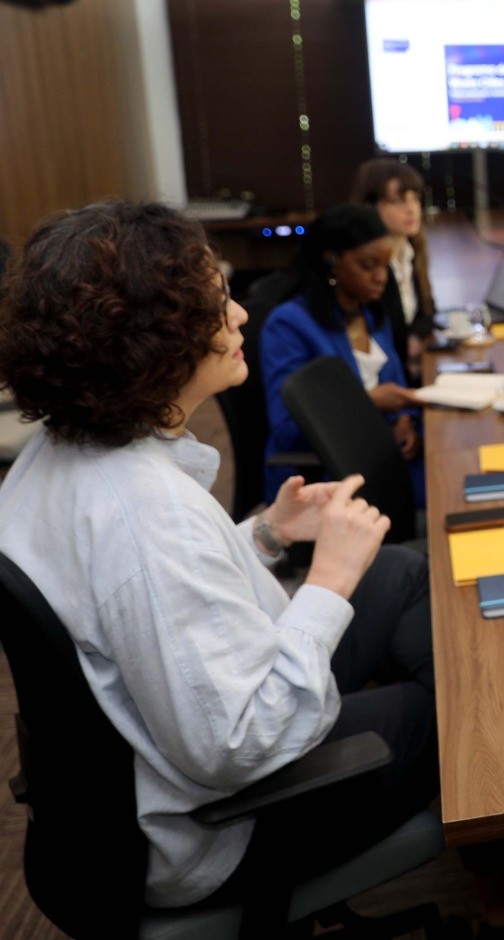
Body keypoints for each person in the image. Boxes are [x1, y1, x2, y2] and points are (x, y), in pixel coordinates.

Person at [0, 201, 437, 909]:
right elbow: (238, 743)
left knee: (401, 573)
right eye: (214, 304)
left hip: (150, 763)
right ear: (150, 340)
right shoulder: (144, 512)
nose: (239, 316)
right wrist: (328, 580)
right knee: (442, 706)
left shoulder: (53, 452)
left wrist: (267, 535)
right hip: (219, 825)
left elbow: (143, 604)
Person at [259, 203, 425, 506]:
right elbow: (287, 430)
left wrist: (405, 422)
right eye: (368, 265)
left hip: (381, 455)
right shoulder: (288, 325)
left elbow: (397, 387)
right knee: (447, 485)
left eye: (385, 266)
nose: (380, 277)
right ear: (332, 259)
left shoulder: (372, 315)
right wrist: (369, 401)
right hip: (329, 479)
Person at [352, 157, 436, 383]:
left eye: (414, 198)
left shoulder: (411, 251)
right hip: (383, 381)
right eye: (399, 200)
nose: (411, 209)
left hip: (409, 370)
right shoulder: (366, 269)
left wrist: (415, 337)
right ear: (371, 207)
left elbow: (428, 309)